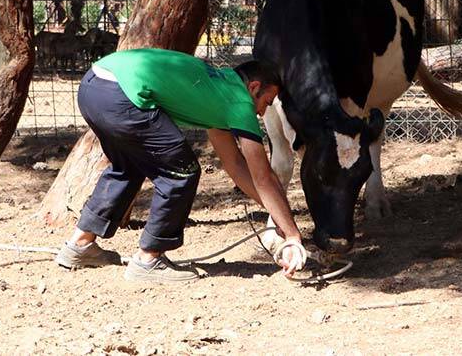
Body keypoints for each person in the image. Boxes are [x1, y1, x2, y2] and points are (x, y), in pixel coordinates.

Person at [55, 48, 308, 283]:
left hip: (93, 86)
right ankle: (148, 260)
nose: (263, 113)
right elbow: (262, 177)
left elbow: (236, 167)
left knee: (128, 166)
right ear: (254, 88)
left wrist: (282, 224)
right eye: (267, 101)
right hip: (120, 93)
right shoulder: (239, 102)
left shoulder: (220, 89)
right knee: (181, 171)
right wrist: (293, 236)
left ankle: (80, 245)